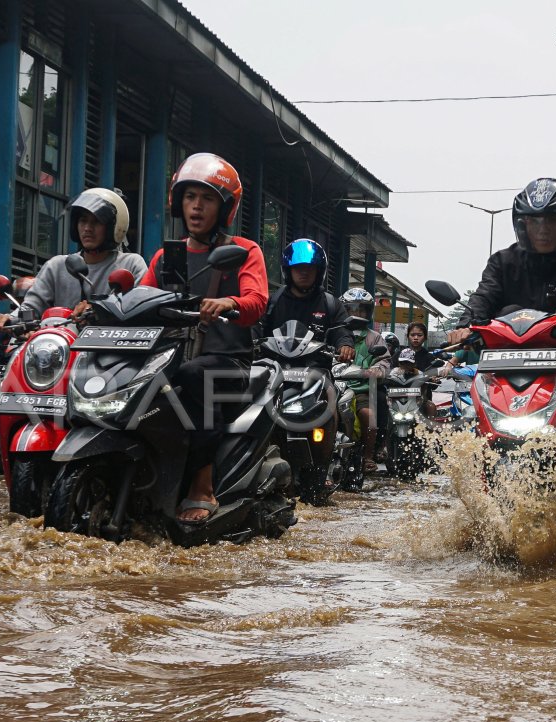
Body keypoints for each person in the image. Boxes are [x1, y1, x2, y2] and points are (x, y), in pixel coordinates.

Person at [138, 153, 269, 522]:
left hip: (228, 364)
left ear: (224, 207)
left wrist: (229, 301)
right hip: (172, 359)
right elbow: (140, 298)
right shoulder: (165, 257)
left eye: (207, 198)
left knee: (196, 376)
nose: (196, 206)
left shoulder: (245, 251)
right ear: (178, 203)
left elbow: (257, 301)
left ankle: (202, 485)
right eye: (190, 196)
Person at [446, 178, 556, 393]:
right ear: (522, 224)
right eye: (534, 221)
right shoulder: (502, 262)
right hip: (505, 365)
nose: (543, 229)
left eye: (552, 220)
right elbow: (484, 295)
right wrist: (465, 326)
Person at [261, 238, 355, 493]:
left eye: (309, 268)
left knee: (329, 407)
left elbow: (342, 330)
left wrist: (345, 345)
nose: (303, 272)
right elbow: (255, 329)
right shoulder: (272, 302)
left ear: (318, 272)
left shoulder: (330, 303)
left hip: (316, 371)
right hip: (275, 370)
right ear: (288, 271)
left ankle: (321, 470)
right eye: (298, 268)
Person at [0, 188, 146, 329]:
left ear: (114, 227)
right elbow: (31, 309)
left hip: (112, 352)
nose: (87, 228)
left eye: (96, 222)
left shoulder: (131, 264)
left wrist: (100, 311)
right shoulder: (57, 266)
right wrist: (11, 319)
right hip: (60, 352)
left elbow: (142, 308)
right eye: (83, 220)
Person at [339, 288, 392, 475]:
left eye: (361, 310)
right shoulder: (336, 333)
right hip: (335, 386)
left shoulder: (374, 337)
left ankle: (367, 457)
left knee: (369, 417)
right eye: (352, 309)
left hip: (361, 388)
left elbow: (384, 360)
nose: (357, 314)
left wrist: (377, 370)